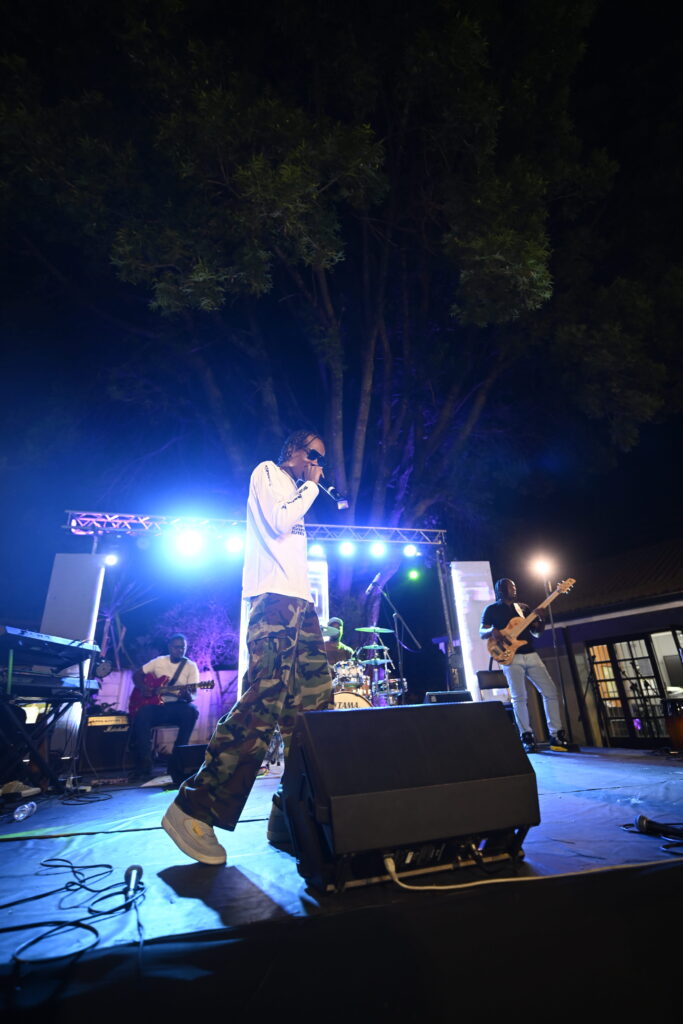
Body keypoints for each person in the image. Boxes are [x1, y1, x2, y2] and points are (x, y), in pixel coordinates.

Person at [162, 429, 334, 864]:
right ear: (292, 450)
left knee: (314, 711)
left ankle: (291, 814)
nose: (317, 463)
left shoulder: (297, 489)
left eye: (322, 459)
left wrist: (308, 487)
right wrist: (312, 486)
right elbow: (278, 523)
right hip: (272, 600)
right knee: (264, 699)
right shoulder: (268, 473)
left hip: (301, 604)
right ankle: (193, 809)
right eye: (313, 454)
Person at [479, 579, 569, 753]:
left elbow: (537, 633)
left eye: (514, 586)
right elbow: (481, 632)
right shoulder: (491, 609)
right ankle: (526, 736)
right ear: (500, 590)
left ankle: (556, 735)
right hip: (510, 657)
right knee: (519, 697)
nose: (514, 589)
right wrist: (492, 631)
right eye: (510, 587)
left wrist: (541, 619)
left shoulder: (523, 608)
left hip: (531, 654)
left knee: (550, 692)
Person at [128, 634, 200, 779]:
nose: (180, 650)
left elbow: (192, 694)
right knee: (142, 714)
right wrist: (143, 688)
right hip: (156, 707)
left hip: (177, 706)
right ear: (169, 647)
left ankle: (177, 760)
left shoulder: (191, 666)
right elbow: (137, 675)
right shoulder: (159, 661)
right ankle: (145, 762)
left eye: (183, 647)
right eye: (176, 647)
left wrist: (186, 695)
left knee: (192, 712)